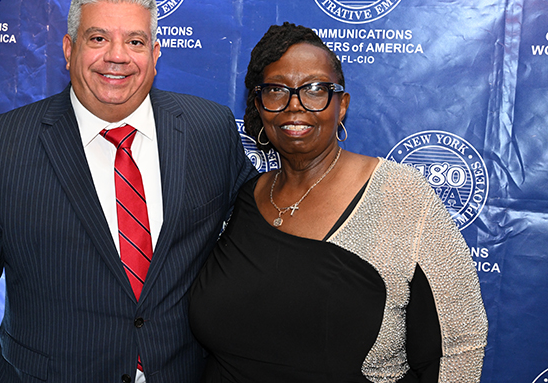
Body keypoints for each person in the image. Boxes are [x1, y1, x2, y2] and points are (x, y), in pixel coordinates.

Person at [0, 0, 256, 383]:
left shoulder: (209, 129)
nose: (117, 56)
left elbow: (265, 228)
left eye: (135, 41)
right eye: (98, 38)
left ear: (156, 54)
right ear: (69, 49)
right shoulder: (2, 146)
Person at [189, 22, 488, 382]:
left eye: (315, 89)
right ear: (259, 105)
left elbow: (459, 344)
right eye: (276, 90)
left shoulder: (401, 195)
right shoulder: (244, 197)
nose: (294, 105)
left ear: (341, 105)